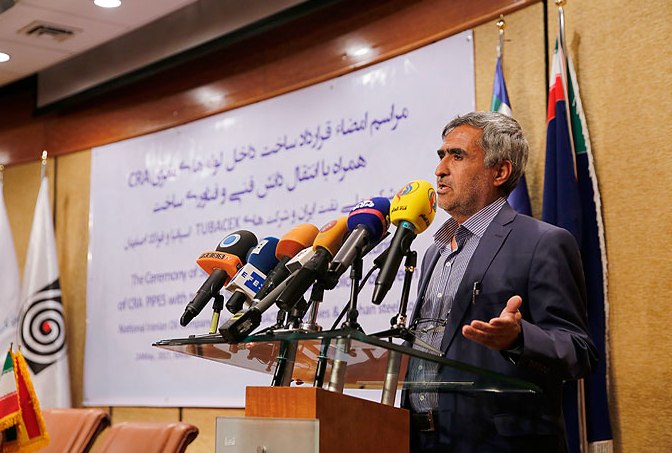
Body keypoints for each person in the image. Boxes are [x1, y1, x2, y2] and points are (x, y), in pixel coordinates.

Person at [404, 111, 598, 452]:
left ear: (500, 172)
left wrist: (519, 338)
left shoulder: (542, 242)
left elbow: (579, 351)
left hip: (495, 443)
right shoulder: (434, 251)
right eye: (441, 155)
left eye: (457, 156)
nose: (440, 169)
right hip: (420, 440)